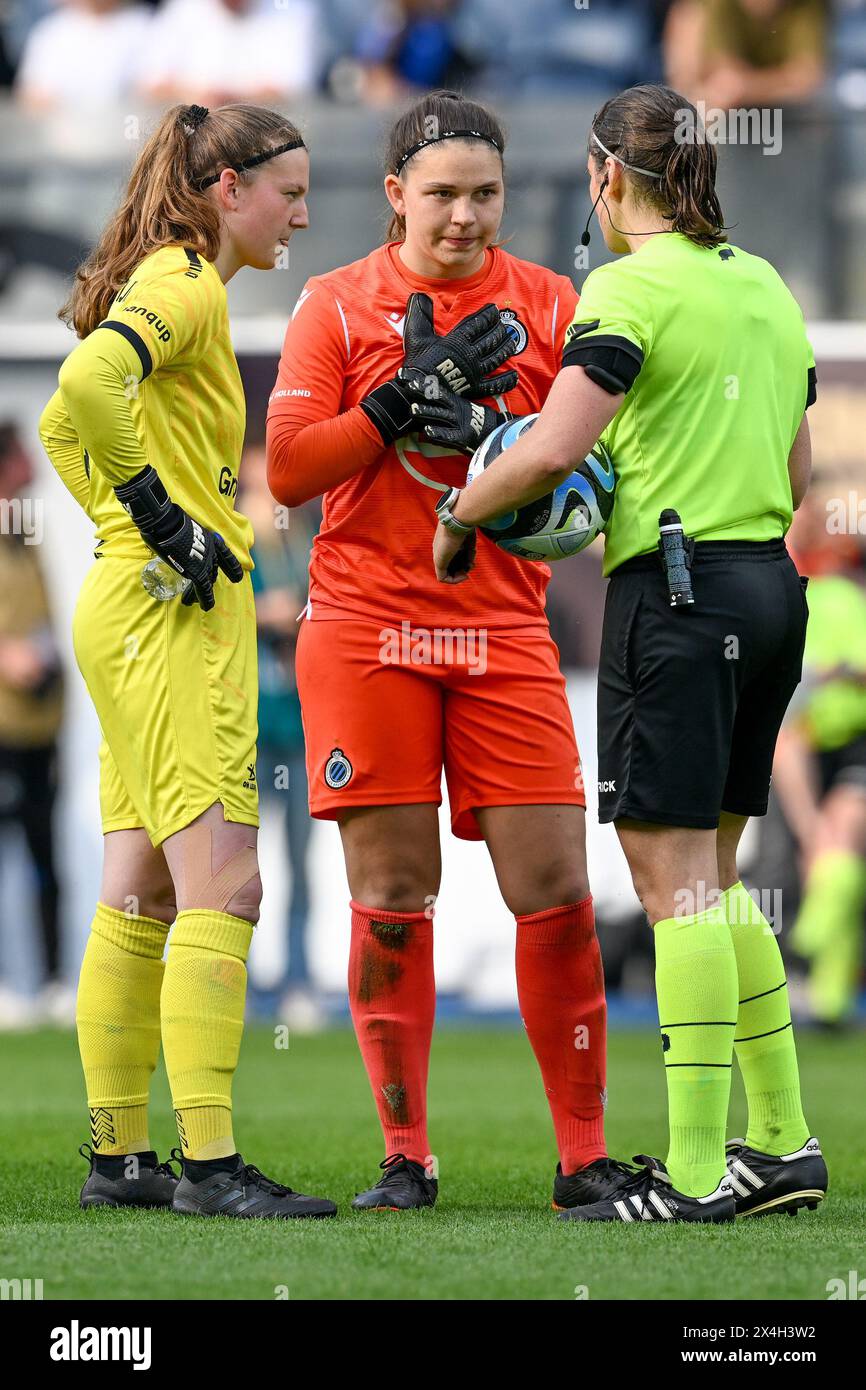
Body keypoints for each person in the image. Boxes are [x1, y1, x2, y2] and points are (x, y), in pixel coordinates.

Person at [432, 82, 827, 1223]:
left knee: (674, 890)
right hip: (768, 585)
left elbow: (553, 446)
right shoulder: (761, 282)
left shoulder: (623, 285)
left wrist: (465, 510)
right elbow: (799, 479)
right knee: (719, 876)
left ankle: (697, 1173)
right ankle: (781, 1143)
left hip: (679, 594)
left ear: (606, 177)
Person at [267, 90, 616, 1213]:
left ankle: (582, 1159)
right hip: (367, 629)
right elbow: (288, 470)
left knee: (555, 886)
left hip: (504, 627)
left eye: (484, 194)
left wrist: (504, 458)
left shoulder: (553, 304)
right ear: (393, 198)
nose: (464, 217)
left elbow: (592, 472)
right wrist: (395, 405)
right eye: (441, 195)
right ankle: (404, 1158)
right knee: (393, 890)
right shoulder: (334, 302)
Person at [39, 100, 336, 1219]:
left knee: (142, 884)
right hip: (171, 616)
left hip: (129, 604)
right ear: (227, 190)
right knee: (229, 884)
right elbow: (78, 395)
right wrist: (163, 519)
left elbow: (71, 431)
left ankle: (121, 1160)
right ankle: (210, 1170)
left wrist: (125, 525)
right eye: (289, 192)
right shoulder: (188, 283)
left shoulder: (158, 277)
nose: (300, 214)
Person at [0, 423, 67, 1026]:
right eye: (23, 455)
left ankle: (47, 981)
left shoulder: (24, 534)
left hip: (41, 727)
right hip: (3, 727)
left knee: (45, 856)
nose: (32, 465)